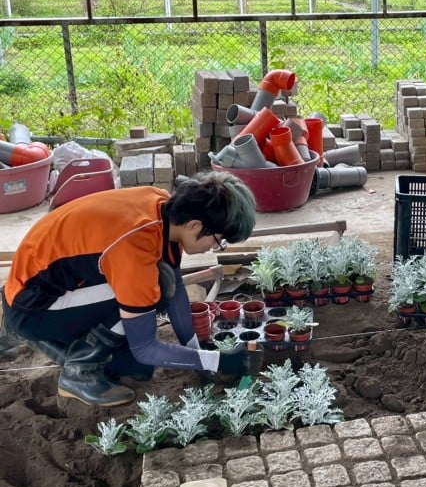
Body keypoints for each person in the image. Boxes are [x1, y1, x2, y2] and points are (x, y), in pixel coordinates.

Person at [0, 171, 263, 407]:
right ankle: (80, 371)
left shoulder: (163, 208)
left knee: (137, 366)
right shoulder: (135, 244)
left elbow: (177, 289)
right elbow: (146, 347)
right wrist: (219, 362)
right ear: (195, 225)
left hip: (56, 287)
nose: (215, 248)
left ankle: (77, 349)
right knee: (155, 287)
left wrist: (199, 351)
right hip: (31, 307)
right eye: (219, 241)